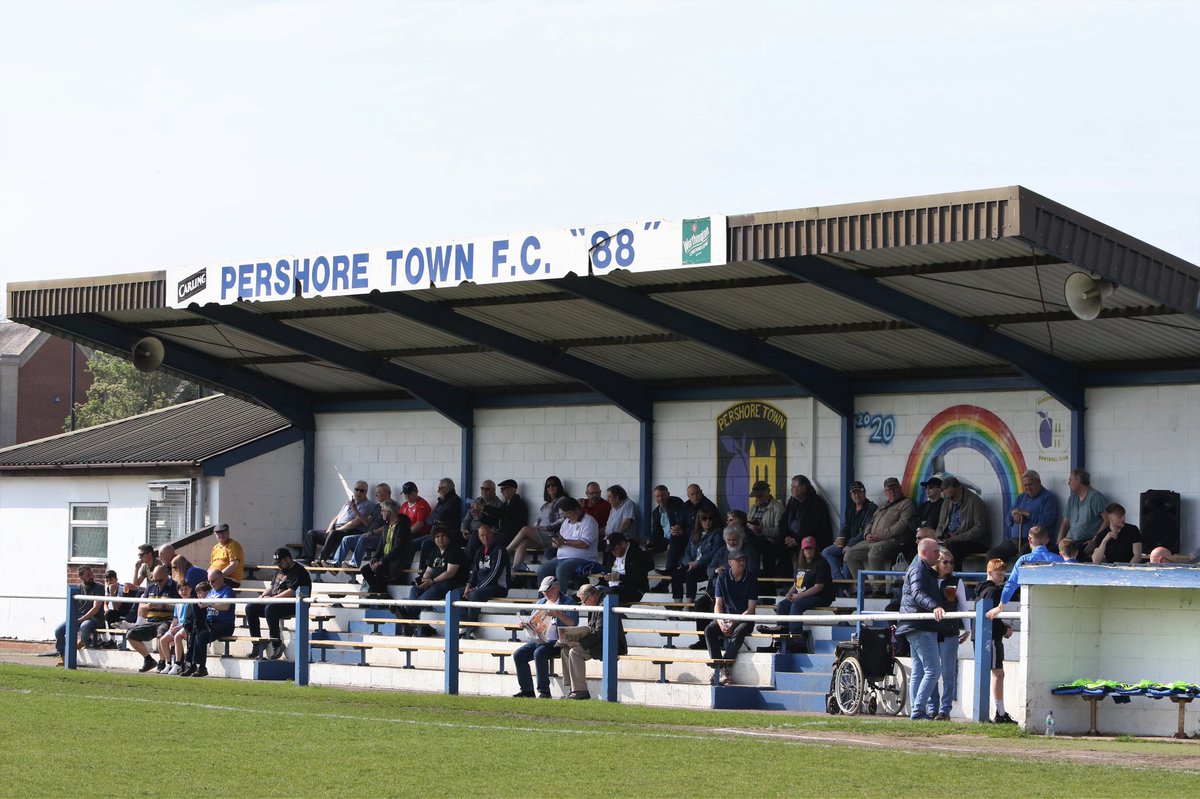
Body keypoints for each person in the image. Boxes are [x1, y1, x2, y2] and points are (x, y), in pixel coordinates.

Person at [895, 537, 946, 720]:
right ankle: (917, 711)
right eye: (935, 551)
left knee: (919, 671)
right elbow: (918, 594)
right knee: (933, 670)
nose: (938, 555)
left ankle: (916, 711)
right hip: (920, 625)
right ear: (924, 553)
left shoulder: (921, 569)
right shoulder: (918, 569)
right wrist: (935, 606)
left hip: (915, 625)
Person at [758, 537, 834, 654]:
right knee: (782, 605)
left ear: (815, 549)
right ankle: (781, 637)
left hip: (821, 596)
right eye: (806, 549)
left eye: (810, 549)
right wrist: (789, 593)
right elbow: (796, 582)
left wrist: (799, 596)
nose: (808, 551)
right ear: (802, 550)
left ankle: (797, 639)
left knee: (797, 605)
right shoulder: (800, 563)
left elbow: (818, 587)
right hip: (803, 594)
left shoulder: (821, 563)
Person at [690, 526, 760, 649]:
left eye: (734, 540)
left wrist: (728, 571)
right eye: (728, 540)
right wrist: (716, 571)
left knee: (718, 605)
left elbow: (752, 570)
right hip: (717, 587)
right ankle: (702, 640)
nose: (731, 543)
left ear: (741, 539)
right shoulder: (721, 550)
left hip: (737, 589)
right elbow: (709, 570)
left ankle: (721, 638)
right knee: (700, 604)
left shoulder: (749, 551)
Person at [844, 478, 916, 594]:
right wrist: (867, 534)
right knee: (849, 555)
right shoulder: (883, 505)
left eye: (895, 488)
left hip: (892, 540)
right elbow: (870, 522)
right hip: (872, 540)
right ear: (885, 492)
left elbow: (901, 525)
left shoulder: (906, 503)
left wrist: (880, 535)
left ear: (900, 488)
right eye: (889, 489)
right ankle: (864, 588)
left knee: (874, 554)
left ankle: (879, 589)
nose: (892, 492)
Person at [512, 576, 578, 698]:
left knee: (539, 653)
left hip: (557, 641)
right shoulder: (541, 602)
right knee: (518, 655)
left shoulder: (568, 602)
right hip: (540, 640)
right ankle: (527, 691)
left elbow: (573, 622)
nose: (546, 594)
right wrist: (526, 624)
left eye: (549, 590)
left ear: (557, 587)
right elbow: (533, 621)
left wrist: (558, 614)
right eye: (544, 592)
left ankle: (544, 691)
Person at [559, 584, 627, 700]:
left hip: (609, 644)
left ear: (590, 597)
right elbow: (592, 628)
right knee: (565, 650)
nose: (583, 604)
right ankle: (573, 688)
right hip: (598, 641)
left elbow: (599, 634)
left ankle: (581, 691)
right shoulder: (595, 604)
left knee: (574, 652)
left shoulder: (603, 604)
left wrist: (579, 643)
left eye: (583, 600)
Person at [926, 547, 969, 720]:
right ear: (937, 562)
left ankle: (945, 709)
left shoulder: (956, 581)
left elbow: (963, 605)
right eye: (945, 562)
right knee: (932, 672)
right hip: (930, 632)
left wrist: (968, 629)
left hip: (949, 632)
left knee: (948, 673)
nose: (949, 565)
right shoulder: (928, 578)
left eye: (951, 562)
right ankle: (932, 707)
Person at [704, 549, 758, 686]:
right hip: (725, 617)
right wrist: (720, 620)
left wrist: (733, 622)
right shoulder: (722, 578)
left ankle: (723, 667)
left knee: (739, 631)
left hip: (744, 618)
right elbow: (718, 604)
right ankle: (720, 668)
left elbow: (751, 608)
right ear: (730, 562)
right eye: (738, 560)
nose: (742, 563)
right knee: (709, 630)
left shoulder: (751, 578)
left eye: (743, 560)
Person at [985, 525, 1065, 618]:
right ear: (1047, 540)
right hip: (1058, 609)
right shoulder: (1060, 560)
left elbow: (1011, 585)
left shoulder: (1024, 560)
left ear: (1029, 540)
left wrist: (1000, 607)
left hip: (1032, 610)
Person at [247, 548, 312, 660]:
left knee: (270, 608)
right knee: (250, 608)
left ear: (288, 559)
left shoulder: (299, 571)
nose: (279, 566)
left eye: (280, 563)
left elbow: (291, 591)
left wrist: (272, 599)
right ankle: (257, 644)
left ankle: (276, 644)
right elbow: (272, 588)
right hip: (276, 602)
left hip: (293, 604)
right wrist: (262, 596)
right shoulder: (280, 571)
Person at [402, 524, 466, 636]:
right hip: (435, 582)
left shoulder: (455, 551)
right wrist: (425, 580)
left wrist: (432, 581)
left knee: (435, 589)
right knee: (415, 589)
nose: (440, 538)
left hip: (452, 583)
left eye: (442, 536)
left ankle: (408, 613)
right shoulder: (435, 552)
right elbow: (429, 570)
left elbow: (450, 572)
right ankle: (413, 620)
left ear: (448, 537)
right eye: (437, 537)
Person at [990, 470, 1060, 561]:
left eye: (1030, 484)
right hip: (1015, 540)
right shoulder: (1021, 497)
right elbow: (1008, 521)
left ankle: (1020, 575)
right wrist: (1013, 515)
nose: (1028, 488)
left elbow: (1048, 521)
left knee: (1024, 554)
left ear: (1038, 482)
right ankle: (1000, 575)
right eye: (1025, 485)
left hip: (1035, 541)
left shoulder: (1048, 498)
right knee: (992, 554)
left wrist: (1027, 514)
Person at [978, 559, 1016, 723]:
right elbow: (990, 616)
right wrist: (1004, 630)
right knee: (998, 674)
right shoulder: (992, 591)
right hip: (991, 638)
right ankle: (999, 713)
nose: (1001, 578)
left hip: (988, 636)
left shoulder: (983, 590)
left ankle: (999, 712)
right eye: (998, 574)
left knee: (996, 674)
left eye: (1003, 574)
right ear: (989, 573)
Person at [535, 497, 602, 589]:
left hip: (583, 559)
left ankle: (561, 599)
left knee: (561, 569)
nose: (567, 515)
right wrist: (556, 542)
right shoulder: (566, 522)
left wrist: (565, 542)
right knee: (543, 569)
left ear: (577, 510)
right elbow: (559, 541)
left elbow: (585, 544)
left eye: (569, 513)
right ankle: (543, 600)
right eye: (565, 513)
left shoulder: (589, 522)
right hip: (561, 558)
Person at [303, 480, 374, 563]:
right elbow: (337, 517)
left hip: (349, 531)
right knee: (311, 534)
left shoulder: (366, 505)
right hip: (336, 530)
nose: (358, 492)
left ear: (366, 492)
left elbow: (354, 523)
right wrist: (329, 530)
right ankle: (308, 560)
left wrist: (337, 530)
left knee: (334, 534)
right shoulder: (348, 503)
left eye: (362, 491)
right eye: (357, 489)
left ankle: (321, 560)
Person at [126, 565, 180, 673]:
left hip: (166, 620)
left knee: (162, 632)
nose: (158, 583)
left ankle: (162, 661)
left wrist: (164, 606)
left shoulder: (175, 587)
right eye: (155, 580)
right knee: (130, 634)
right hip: (151, 621)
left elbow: (180, 606)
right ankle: (148, 660)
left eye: (160, 580)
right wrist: (148, 606)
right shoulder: (151, 587)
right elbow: (142, 605)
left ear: (166, 575)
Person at [508, 476, 568, 571]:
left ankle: (506, 552)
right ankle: (514, 570)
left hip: (552, 536)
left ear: (558, 487)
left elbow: (563, 519)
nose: (550, 488)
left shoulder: (562, 501)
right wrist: (536, 527)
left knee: (525, 529)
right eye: (548, 486)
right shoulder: (544, 505)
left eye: (553, 485)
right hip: (541, 535)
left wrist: (547, 528)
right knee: (524, 542)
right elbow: (539, 520)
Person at [461, 523, 510, 635]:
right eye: (482, 535)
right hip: (481, 587)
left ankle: (470, 626)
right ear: (479, 537)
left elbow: (494, 574)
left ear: (492, 534)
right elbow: (475, 572)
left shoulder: (499, 550)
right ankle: (462, 622)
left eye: (487, 534)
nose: (485, 537)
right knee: (457, 593)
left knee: (475, 595)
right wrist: (469, 585)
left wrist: (477, 588)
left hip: (499, 587)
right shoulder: (480, 551)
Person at [823, 481, 877, 582]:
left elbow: (865, 531)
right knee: (827, 552)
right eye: (854, 493)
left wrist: (850, 545)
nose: (856, 495)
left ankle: (843, 584)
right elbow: (845, 528)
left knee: (848, 556)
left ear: (864, 492)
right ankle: (839, 580)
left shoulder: (871, 508)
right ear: (851, 495)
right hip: (848, 542)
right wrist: (840, 541)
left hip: (861, 543)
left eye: (859, 492)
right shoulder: (850, 509)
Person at [933, 477, 989, 570]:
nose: (950, 500)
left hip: (974, 541)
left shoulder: (975, 502)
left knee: (954, 548)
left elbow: (980, 528)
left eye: (952, 496)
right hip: (950, 540)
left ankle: (953, 579)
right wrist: (940, 538)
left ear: (958, 488)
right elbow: (941, 525)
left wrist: (957, 538)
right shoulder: (947, 502)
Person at [669, 508, 723, 603]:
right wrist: (690, 563)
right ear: (699, 520)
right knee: (676, 575)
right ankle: (677, 605)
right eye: (704, 519)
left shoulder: (717, 533)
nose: (708, 521)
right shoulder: (694, 533)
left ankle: (689, 605)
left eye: (710, 519)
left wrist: (697, 563)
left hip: (706, 566)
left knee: (691, 574)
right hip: (692, 564)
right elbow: (687, 550)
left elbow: (714, 552)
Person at [189, 568, 236, 678]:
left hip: (225, 624)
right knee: (194, 633)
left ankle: (201, 667)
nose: (211, 584)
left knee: (201, 636)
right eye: (209, 581)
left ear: (221, 578)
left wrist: (209, 604)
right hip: (211, 622)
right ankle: (192, 664)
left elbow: (225, 606)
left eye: (213, 581)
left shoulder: (227, 590)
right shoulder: (211, 591)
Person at [780, 475, 834, 567]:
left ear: (803, 488)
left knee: (802, 549)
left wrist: (797, 540)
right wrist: (785, 537)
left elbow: (812, 528)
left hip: (813, 540)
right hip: (791, 539)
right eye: (791, 487)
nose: (791, 489)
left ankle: (800, 578)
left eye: (794, 487)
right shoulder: (793, 501)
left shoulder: (816, 503)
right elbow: (783, 521)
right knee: (769, 550)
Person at [54, 565, 105, 664]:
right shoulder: (77, 589)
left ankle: (85, 642)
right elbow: (73, 608)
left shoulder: (99, 587)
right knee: (58, 631)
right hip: (78, 617)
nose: (91, 576)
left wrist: (81, 619)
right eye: (88, 575)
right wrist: (74, 619)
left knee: (84, 626)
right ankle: (63, 656)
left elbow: (96, 609)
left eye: (91, 574)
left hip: (94, 619)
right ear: (81, 577)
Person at [359, 501, 413, 595]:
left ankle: (382, 594)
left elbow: (398, 548)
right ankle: (377, 592)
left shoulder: (403, 526)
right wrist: (375, 558)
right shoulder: (387, 526)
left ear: (389, 512)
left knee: (379, 568)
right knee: (365, 569)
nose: (381, 513)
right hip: (386, 559)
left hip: (397, 560)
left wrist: (382, 560)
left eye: (382, 510)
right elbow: (381, 545)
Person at [339, 482, 394, 567]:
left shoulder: (392, 507)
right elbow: (366, 522)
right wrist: (356, 510)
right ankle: (336, 564)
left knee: (363, 539)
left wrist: (373, 533)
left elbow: (390, 526)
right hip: (369, 534)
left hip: (381, 537)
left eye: (378, 493)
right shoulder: (377, 506)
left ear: (386, 493)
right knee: (346, 539)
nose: (376, 495)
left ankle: (354, 565)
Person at [1060, 468, 1107, 553]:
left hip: (1086, 542)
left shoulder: (1095, 497)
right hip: (1071, 541)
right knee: (1051, 552)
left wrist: (1095, 540)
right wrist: (1058, 544)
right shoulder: (1072, 498)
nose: (1068, 483)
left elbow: (1107, 520)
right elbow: (1065, 523)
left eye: (1070, 480)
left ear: (1078, 481)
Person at [747, 480, 787, 579]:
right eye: (756, 496)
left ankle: (757, 577)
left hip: (769, 540)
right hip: (754, 537)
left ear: (767, 492)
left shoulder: (777, 508)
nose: (757, 498)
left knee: (753, 545)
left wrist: (762, 530)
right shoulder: (754, 507)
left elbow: (780, 531)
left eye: (759, 496)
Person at [600, 531, 651, 606]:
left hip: (634, 589)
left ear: (623, 543)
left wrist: (620, 577)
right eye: (611, 550)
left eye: (616, 548)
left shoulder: (636, 554)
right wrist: (606, 576)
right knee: (591, 592)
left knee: (612, 591)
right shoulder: (611, 555)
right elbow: (606, 569)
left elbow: (640, 578)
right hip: (612, 586)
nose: (614, 552)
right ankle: (594, 617)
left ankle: (613, 616)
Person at [157, 580, 194, 674]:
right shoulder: (178, 603)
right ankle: (168, 664)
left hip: (187, 627)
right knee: (163, 639)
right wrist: (171, 628)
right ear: (178, 591)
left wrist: (178, 627)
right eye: (181, 590)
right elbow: (175, 619)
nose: (184, 591)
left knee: (178, 636)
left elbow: (190, 620)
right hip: (178, 627)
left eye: (186, 589)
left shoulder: (192, 603)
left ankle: (178, 664)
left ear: (190, 589)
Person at [482, 478, 529, 549]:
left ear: (513, 489)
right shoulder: (506, 503)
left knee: (492, 547)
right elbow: (494, 519)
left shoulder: (518, 503)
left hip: (513, 536)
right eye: (501, 489)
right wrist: (480, 515)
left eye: (504, 489)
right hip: (503, 535)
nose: (502, 492)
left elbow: (501, 513)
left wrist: (484, 508)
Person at [648, 484, 688, 563]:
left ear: (668, 494)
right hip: (665, 539)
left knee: (673, 546)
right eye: (658, 496)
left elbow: (680, 524)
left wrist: (671, 543)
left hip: (679, 537)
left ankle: (669, 569)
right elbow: (656, 530)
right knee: (645, 549)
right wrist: (650, 541)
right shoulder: (656, 512)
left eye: (663, 495)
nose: (661, 499)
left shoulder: (676, 503)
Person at [209, 523, 245, 587]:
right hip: (215, 579)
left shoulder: (233, 545)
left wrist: (218, 576)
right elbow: (212, 565)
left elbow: (234, 565)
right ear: (215, 534)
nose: (221, 535)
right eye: (218, 533)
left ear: (228, 532)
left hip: (230, 579)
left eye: (223, 532)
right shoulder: (215, 547)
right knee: (198, 581)